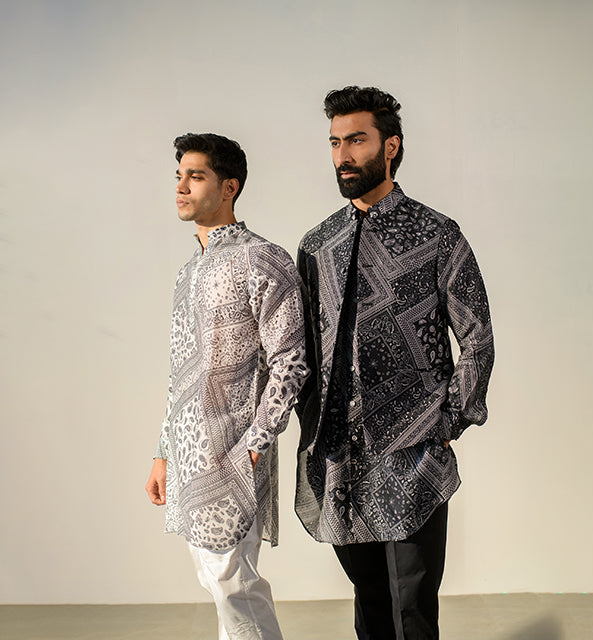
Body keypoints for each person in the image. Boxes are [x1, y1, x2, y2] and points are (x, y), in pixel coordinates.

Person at [294, 87, 494, 640]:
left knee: (412, 606)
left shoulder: (436, 234)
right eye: (335, 142)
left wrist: (450, 419)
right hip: (341, 454)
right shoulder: (317, 245)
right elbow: (302, 351)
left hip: (412, 451)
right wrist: (310, 424)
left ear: (391, 146)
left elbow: (477, 335)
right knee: (370, 601)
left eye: (356, 140)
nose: (342, 155)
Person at [146, 133, 308, 640]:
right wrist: (163, 452)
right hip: (189, 456)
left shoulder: (262, 259)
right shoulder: (188, 272)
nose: (181, 187)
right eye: (179, 176)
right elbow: (181, 373)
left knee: (233, 584)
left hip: (234, 451)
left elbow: (290, 362)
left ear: (229, 187)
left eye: (196, 177)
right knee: (218, 583)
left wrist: (255, 445)